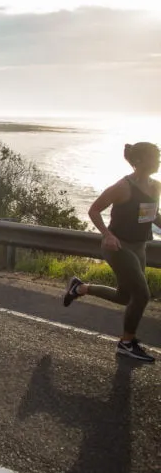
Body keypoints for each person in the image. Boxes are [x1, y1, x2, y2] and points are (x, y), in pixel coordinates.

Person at [65, 142, 159, 363]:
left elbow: (152, 215)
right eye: (154, 157)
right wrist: (107, 234)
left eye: (159, 157)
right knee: (142, 295)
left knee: (124, 296)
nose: (158, 161)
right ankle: (126, 343)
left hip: (140, 246)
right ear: (139, 161)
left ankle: (80, 288)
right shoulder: (123, 187)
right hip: (118, 247)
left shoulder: (156, 186)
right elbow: (94, 210)